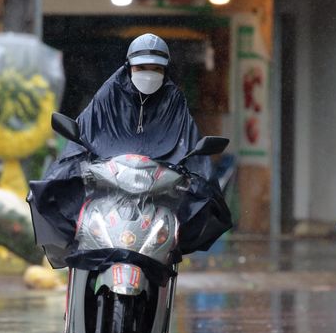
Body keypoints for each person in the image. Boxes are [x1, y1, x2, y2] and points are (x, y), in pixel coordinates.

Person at [28, 33, 231, 266]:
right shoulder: (109, 95)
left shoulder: (173, 101)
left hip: (156, 195)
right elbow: (85, 134)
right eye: (142, 67)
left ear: (165, 71)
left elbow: (188, 144)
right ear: (129, 67)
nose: (148, 74)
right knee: (51, 192)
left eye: (156, 68)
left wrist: (192, 175)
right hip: (108, 189)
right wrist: (81, 163)